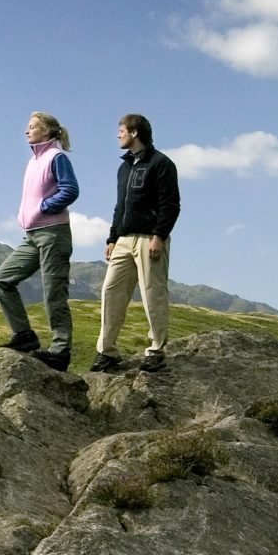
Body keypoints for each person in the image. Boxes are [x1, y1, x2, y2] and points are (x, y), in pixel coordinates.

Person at [94, 112, 180, 374]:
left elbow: (170, 204)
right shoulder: (124, 167)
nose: (118, 134)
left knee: (152, 293)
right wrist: (112, 237)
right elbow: (120, 206)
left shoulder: (162, 163)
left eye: (121, 130)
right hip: (123, 240)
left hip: (150, 240)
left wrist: (159, 236)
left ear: (134, 132)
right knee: (110, 291)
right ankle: (106, 352)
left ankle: (156, 350)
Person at [0, 112, 79, 370]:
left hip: (54, 233)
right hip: (32, 236)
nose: (26, 131)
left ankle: (60, 350)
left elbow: (71, 189)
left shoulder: (57, 157)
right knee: (2, 280)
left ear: (47, 131)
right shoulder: (33, 161)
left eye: (32, 127)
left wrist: (44, 206)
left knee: (54, 292)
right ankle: (25, 336)